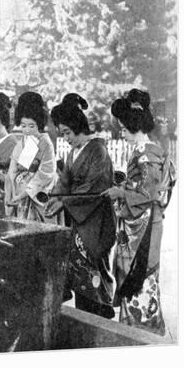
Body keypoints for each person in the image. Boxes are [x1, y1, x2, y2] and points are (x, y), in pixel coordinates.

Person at [102, 89, 175, 335]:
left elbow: (148, 193)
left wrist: (122, 193)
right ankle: (132, 325)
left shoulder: (149, 154)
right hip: (137, 220)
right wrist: (123, 187)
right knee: (132, 272)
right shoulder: (144, 151)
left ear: (134, 126)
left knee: (142, 274)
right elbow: (140, 187)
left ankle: (146, 329)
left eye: (123, 129)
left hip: (145, 224)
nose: (121, 134)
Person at [45, 93, 116, 319]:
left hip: (95, 218)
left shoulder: (98, 151)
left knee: (93, 263)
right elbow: (64, 182)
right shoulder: (73, 154)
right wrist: (54, 198)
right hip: (78, 218)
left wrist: (64, 201)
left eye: (67, 132)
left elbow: (95, 188)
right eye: (62, 133)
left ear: (78, 127)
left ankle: (101, 314)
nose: (65, 138)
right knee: (78, 267)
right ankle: (85, 315)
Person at [5, 92, 56, 221]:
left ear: (39, 122)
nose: (27, 130)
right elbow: (14, 170)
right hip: (21, 193)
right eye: (23, 126)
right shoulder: (23, 141)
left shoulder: (45, 142)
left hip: (38, 196)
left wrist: (22, 194)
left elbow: (46, 173)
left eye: (31, 126)